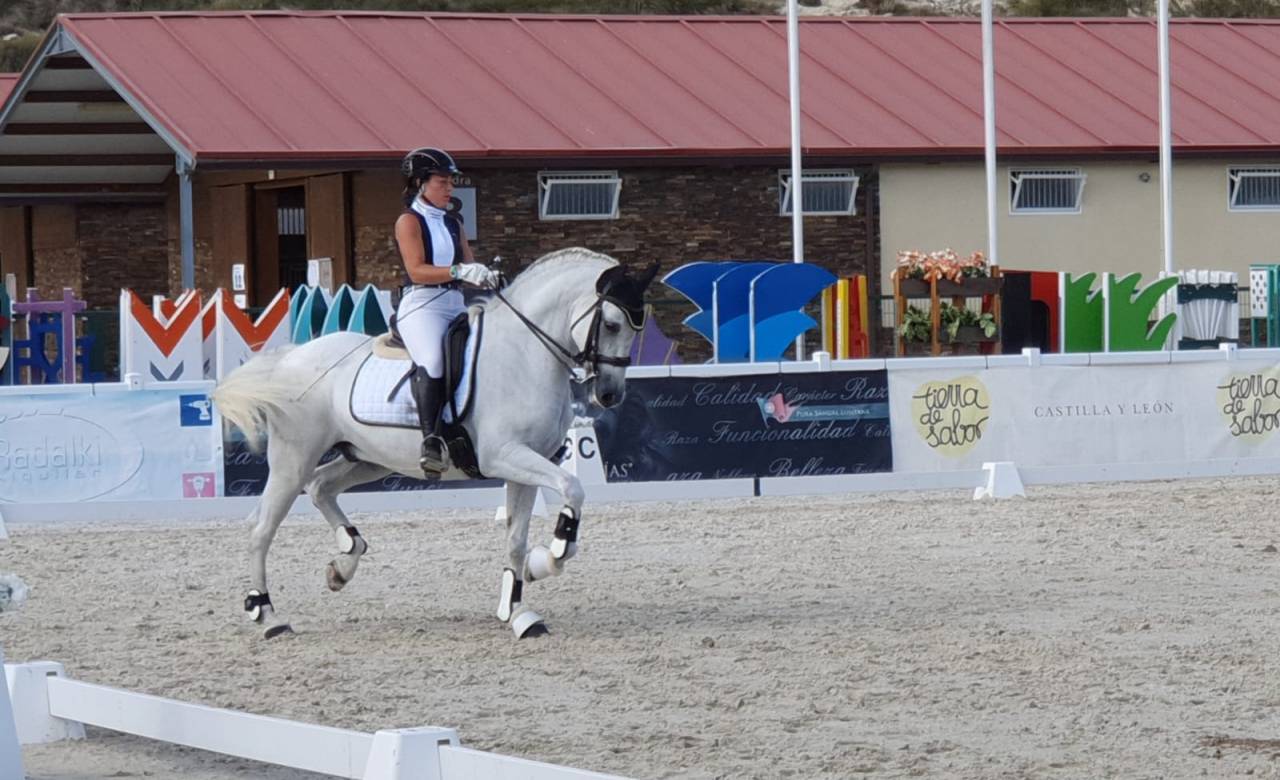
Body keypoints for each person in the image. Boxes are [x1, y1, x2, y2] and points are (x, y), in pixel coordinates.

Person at [394, 147, 500, 476]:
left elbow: (468, 267)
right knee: (434, 359)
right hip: (421, 305)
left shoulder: (454, 222)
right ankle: (431, 440)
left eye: (451, 182)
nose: (450, 188)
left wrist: (484, 275)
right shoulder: (408, 221)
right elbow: (417, 271)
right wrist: (457, 272)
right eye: (442, 182)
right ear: (420, 183)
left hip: (455, 303)